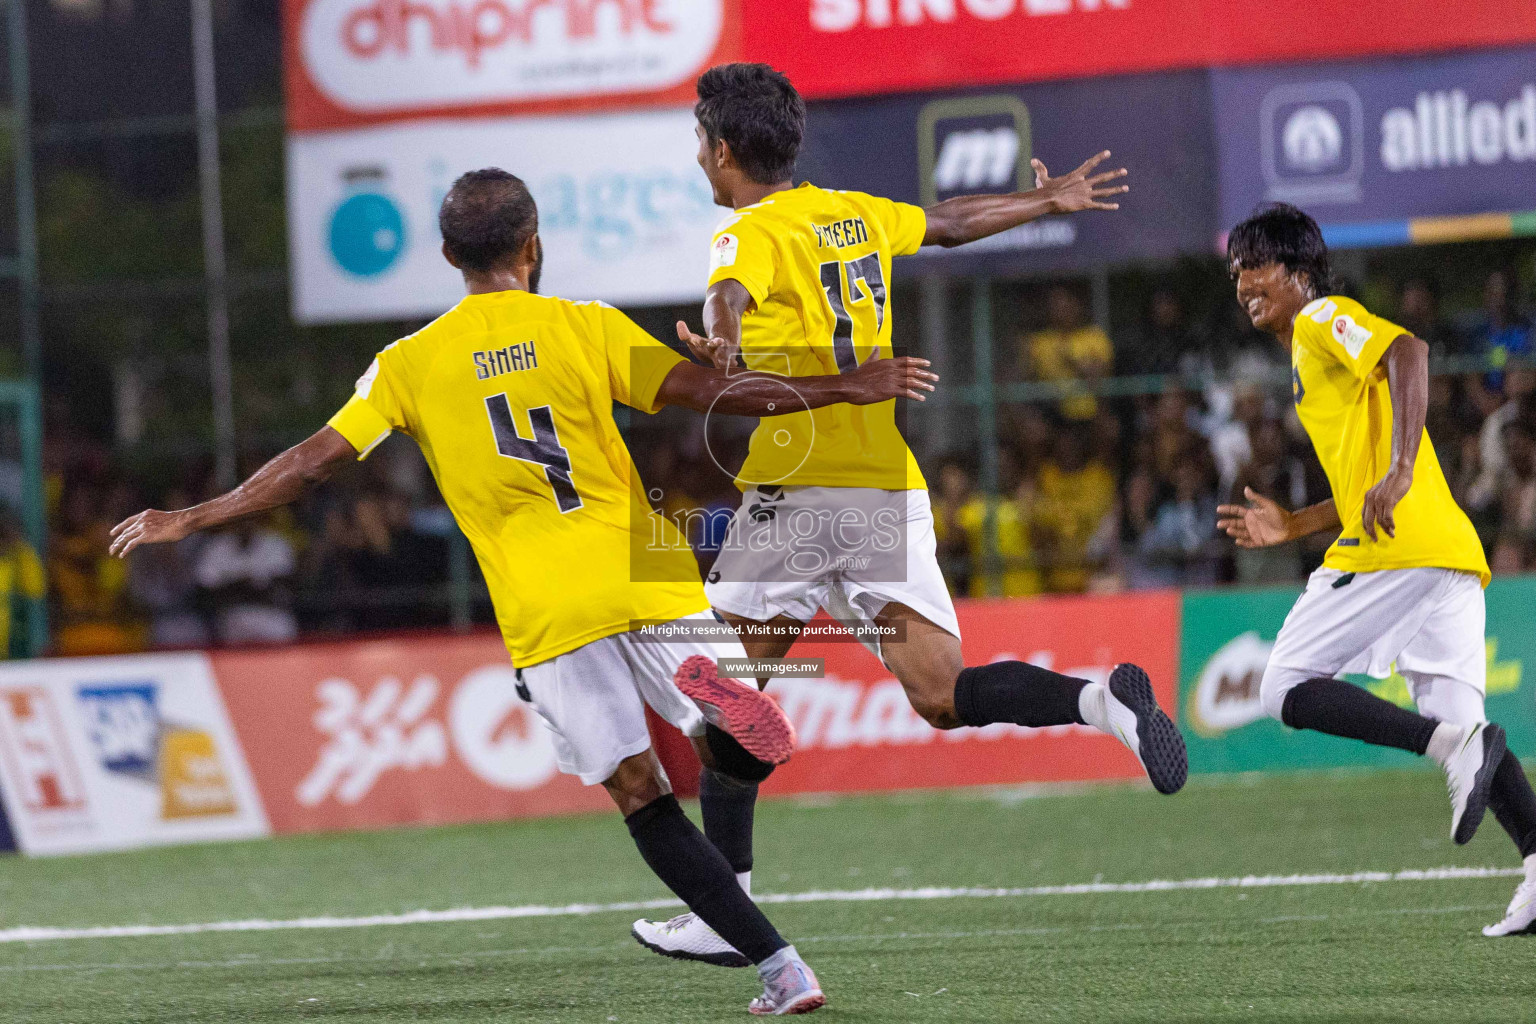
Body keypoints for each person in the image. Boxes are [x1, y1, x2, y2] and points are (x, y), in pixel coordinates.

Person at [109, 168, 939, 1015]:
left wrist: (197, 514)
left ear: (445, 256)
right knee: (715, 733)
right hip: (643, 562)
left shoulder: (406, 364)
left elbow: (314, 463)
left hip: (545, 603)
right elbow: (716, 393)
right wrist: (843, 386)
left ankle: (783, 969)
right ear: (534, 244)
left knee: (640, 793)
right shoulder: (588, 326)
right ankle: (715, 714)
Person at [632, 63, 1188, 966]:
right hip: (883, 491)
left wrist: (723, 340)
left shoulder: (745, 235)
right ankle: (1102, 701)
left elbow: (726, 298)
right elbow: (956, 224)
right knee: (939, 692)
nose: (699, 159)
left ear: (726, 150)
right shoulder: (852, 210)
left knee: (720, 692)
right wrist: (1048, 203)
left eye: (701, 143)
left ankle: (724, 907)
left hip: (794, 497)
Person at [1217, 203, 1536, 938]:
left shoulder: (1324, 318)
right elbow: (1361, 471)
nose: (1241, 282)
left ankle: (1449, 748)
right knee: (1466, 728)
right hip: (1446, 554)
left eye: (1255, 264)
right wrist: (1295, 523)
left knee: (1284, 687)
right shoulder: (1307, 348)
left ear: (1299, 273)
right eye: (1235, 270)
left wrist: (1397, 472)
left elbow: (1410, 352)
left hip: (1397, 548)